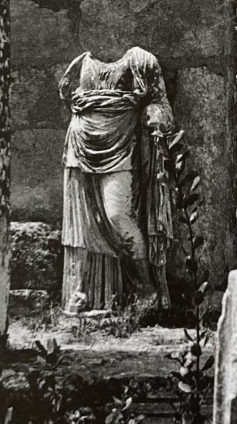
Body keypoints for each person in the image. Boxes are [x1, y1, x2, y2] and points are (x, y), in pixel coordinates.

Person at [58, 46, 174, 314]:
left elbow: (162, 105)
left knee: (117, 216)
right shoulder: (81, 62)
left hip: (121, 144)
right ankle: (85, 289)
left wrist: (154, 114)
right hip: (82, 143)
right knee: (85, 222)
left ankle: (145, 287)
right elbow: (69, 98)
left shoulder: (141, 60)